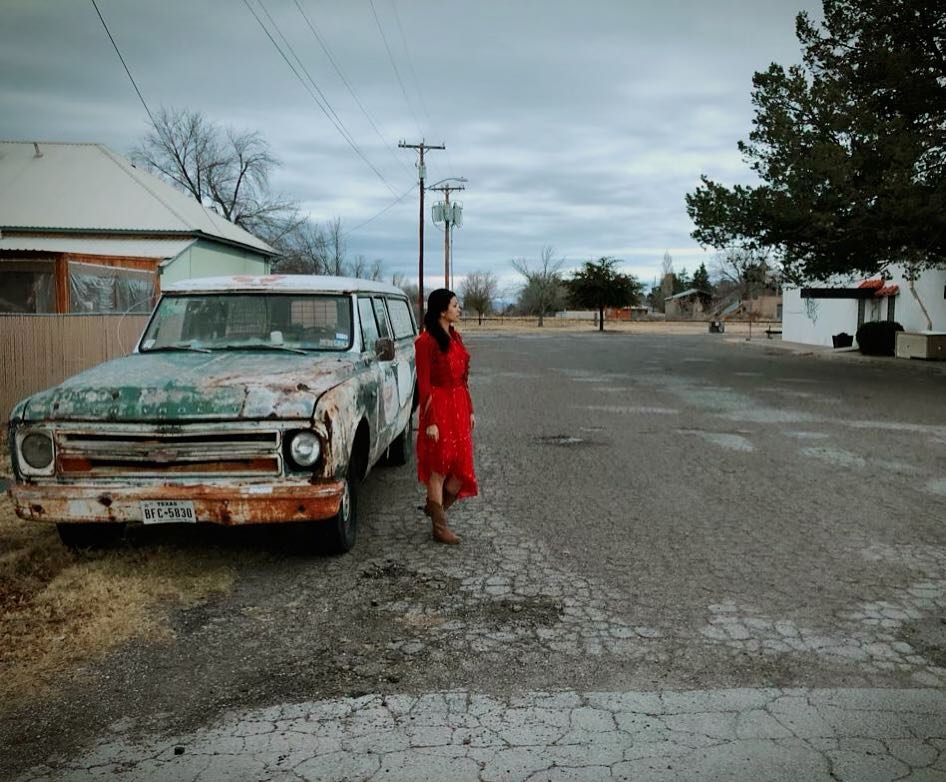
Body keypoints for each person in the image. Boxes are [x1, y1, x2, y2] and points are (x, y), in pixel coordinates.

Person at [415, 288, 478, 544]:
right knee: (438, 467)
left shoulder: (456, 338)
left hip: (459, 407)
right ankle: (439, 528)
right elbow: (424, 383)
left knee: (461, 470)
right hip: (438, 407)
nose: (459, 308)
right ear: (442, 310)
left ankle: (434, 508)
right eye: (455, 305)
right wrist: (429, 421)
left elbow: (464, 379)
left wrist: (470, 409)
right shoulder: (426, 342)